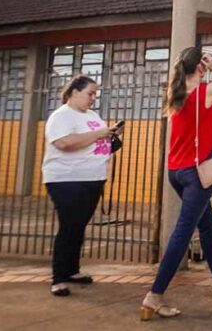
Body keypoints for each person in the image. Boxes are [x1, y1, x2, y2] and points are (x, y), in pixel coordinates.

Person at [141, 48, 212, 320]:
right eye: (204, 64)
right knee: (182, 233)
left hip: (176, 172)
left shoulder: (175, 92)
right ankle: (154, 296)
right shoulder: (206, 91)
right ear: (200, 67)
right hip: (198, 173)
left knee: (207, 224)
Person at [43, 74, 123, 297]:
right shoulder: (62, 116)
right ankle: (58, 278)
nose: (93, 98)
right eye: (90, 93)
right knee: (69, 226)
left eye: (95, 94)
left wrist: (111, 136)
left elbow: (98, 143)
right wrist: (99, 133)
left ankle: (72, 270)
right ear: (74, 92)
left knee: (78, 226)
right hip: (67, 179)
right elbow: (64, 143)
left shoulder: (92, 116)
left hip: (93, 177)